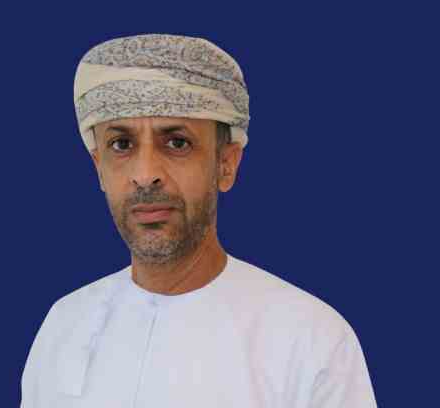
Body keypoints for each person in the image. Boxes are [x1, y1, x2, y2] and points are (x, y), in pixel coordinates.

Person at [20, 33, 377, 408]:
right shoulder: (64, 326)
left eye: (177, 142)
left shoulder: (312, 341)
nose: (145, 174)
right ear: (99, 168)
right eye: (121, 145)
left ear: (226, 164)